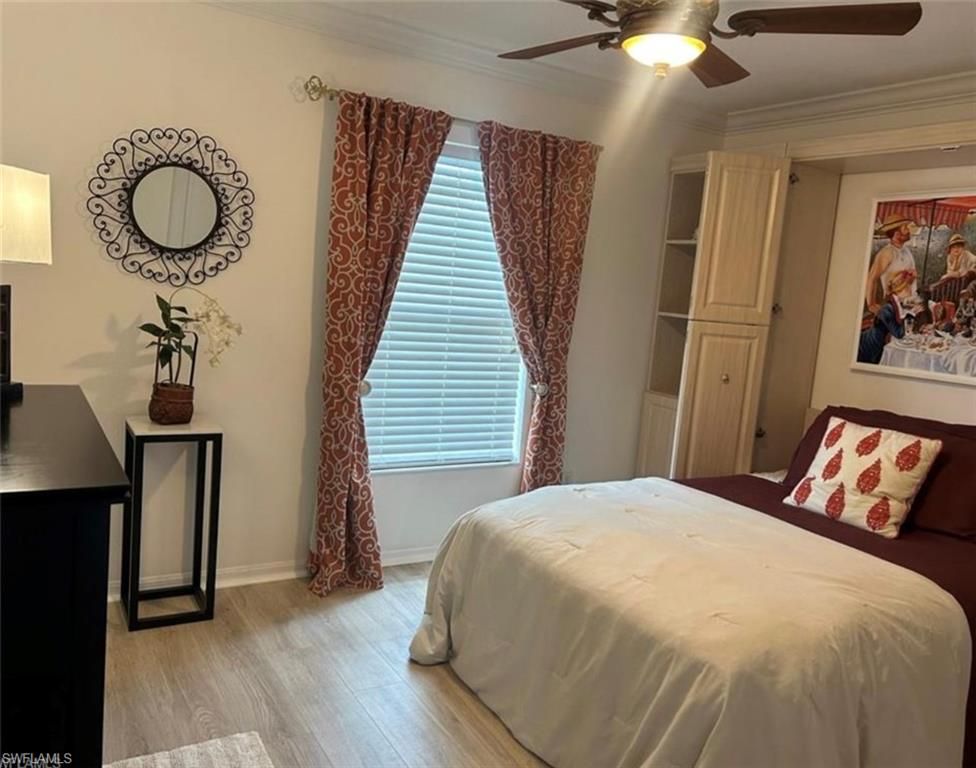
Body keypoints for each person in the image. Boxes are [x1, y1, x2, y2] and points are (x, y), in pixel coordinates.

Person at [865, 214, 918, 314]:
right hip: (894, 305)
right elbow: (872, 278)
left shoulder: (906, 250)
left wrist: (912, 275)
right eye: (905, 227)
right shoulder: (887, 252)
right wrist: (871, 304)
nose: (908, 230)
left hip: (909, 303)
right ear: (897, 234)